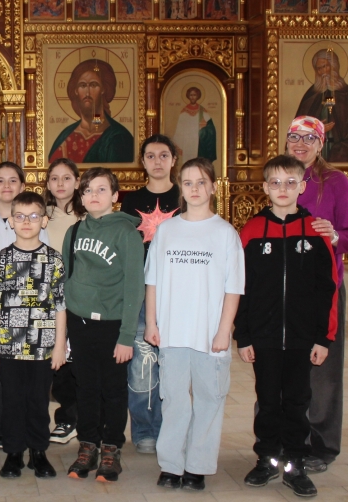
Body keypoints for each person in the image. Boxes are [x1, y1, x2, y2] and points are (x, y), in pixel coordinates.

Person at [234, 154, 338, 497]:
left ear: (301, 187)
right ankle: (266, 458)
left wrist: (323, 337)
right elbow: (241, 288)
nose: (283, 188)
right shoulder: (251, 231)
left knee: (296, 401)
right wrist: (243, 335)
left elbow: (327, 288)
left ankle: (295, 463)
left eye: (290, 182)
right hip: (263, 336)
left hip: (301, 337)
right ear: (265, 187)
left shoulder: (315, 230)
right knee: (267, 400)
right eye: (275, 182)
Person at [145, 158, 244, 491]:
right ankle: (171, 464)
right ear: (180, 188)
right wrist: (151, 322)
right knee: (174, 400)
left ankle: (197, 466)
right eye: (188, 183)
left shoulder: (225, 233)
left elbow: (233, 288)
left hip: (209, 334)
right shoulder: (167, 230)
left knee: (209, 398)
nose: (195, 188)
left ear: (213, 187)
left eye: (201, 182)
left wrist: (224, 330)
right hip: (172, 332)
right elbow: (152, 281)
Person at [284, 116, 348, 472]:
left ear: (320, 143)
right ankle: (283, 438)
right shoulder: (281, 176)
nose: (300, 144)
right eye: (294, 137)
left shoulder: (334, 181)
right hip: (284, 289)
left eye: (308, 138)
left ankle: (321, 446)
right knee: (282, 368)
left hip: (322, 291)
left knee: (323, 371)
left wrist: (334, 237)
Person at [63, 167, 144, 483]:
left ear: (114, 195)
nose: (93, 195)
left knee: (112, 390)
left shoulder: (126, 233)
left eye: (101, 189)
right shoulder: (74, 232)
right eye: (87, 190)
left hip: (113, 325)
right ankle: (87, 445)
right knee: (85, 387)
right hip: (80, 324)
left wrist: (126, 336)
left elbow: (134, 288)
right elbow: (68, 279)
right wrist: (65, 330)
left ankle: (111, 449)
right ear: (81, 197)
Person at [0, 191, 67, 479]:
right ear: (11, 221)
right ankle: (14, 452)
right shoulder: (1, 259)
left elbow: (60, 306)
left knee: (38, 401)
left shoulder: (53, 260)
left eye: (33, 216)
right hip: (9, 345)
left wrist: (59, 346)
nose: (26, 221)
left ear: (44, 220)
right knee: (13, 400)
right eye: (19, 216)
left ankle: (38, 452)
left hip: (43, 346)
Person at [0, 162, 49, 450]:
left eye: (13, 180)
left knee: (27, 376)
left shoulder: (34, 220)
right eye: (0, 180)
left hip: (28, 315)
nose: (6, 186)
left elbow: (45, 269)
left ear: (23, 186)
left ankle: (26, 428)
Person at [119, 134, 180, 455]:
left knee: (175, 365)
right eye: (151, 156)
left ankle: (173, 428)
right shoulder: (131, 201)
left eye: (164, 155)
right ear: (142, 161)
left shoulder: (185, 195)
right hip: (141, 293)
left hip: (179, 292)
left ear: (173, 160)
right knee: (142, 365)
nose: (158, 161)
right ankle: (144, 429)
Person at [43, 157, 84, 445]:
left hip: (77, 300)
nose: (60, 183)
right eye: (55, 178)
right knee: (53, 363)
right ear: (47, 183)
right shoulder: (40, 215)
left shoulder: (88, 216)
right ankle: (60, 417)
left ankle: (72, 418)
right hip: (46, 300)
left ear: (77, 182)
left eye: (67, 178)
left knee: (73, 362)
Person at [47, 59, 135, 164]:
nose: (87, 92)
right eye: (83, 85)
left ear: (103, 89)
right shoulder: (65, 136)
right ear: (76, 91)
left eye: (93, 85)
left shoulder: (119, 137)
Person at [295, 49, 348, 163]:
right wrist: (316, 130)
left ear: (334, 66)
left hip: (339, 155)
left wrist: (337, 150)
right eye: (318, 68)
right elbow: (297, 130)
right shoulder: (311, 96)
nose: (322, 72)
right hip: (313, 156)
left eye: (325, 66)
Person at [173, 87, 217, 163]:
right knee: (188, 162)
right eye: (191, 95)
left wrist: (204, 129)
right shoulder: (184, 112)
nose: (193, 97)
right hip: (187, 141)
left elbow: (210, 128)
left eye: (194, 95)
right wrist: (179, 144)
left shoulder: (202, 111)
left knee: (198, 162)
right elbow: (179, 129)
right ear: (188, 96)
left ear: (198, 96)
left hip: (198, 142)